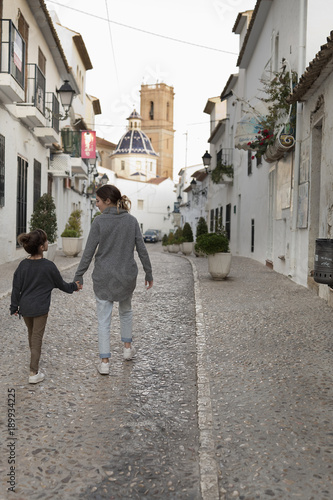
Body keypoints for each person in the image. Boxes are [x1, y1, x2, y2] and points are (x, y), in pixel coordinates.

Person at [73, 184, 153, 375]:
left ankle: (105, 362)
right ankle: (127, 349)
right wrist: (148, 273)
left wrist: (79, 275)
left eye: (98, 201)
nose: (97, 205)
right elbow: (142, 249)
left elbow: (89, 253)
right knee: (126, 312)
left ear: (108, 201)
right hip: (126, 277)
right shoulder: (132, 221)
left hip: (103, 277)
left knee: (103, 320)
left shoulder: (99, 222)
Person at [10, 229, 80, 384]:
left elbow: (16, 287)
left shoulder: (23, 265)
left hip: (26, 308)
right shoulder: (48, 266)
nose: (48, 243)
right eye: (46, 241)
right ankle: (33, 372)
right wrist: (74, 287)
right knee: (36, 338)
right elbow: (61, 285)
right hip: (40, 309)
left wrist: (14, 306)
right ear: (41, 247)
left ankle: (34, 363)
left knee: (32, 334)